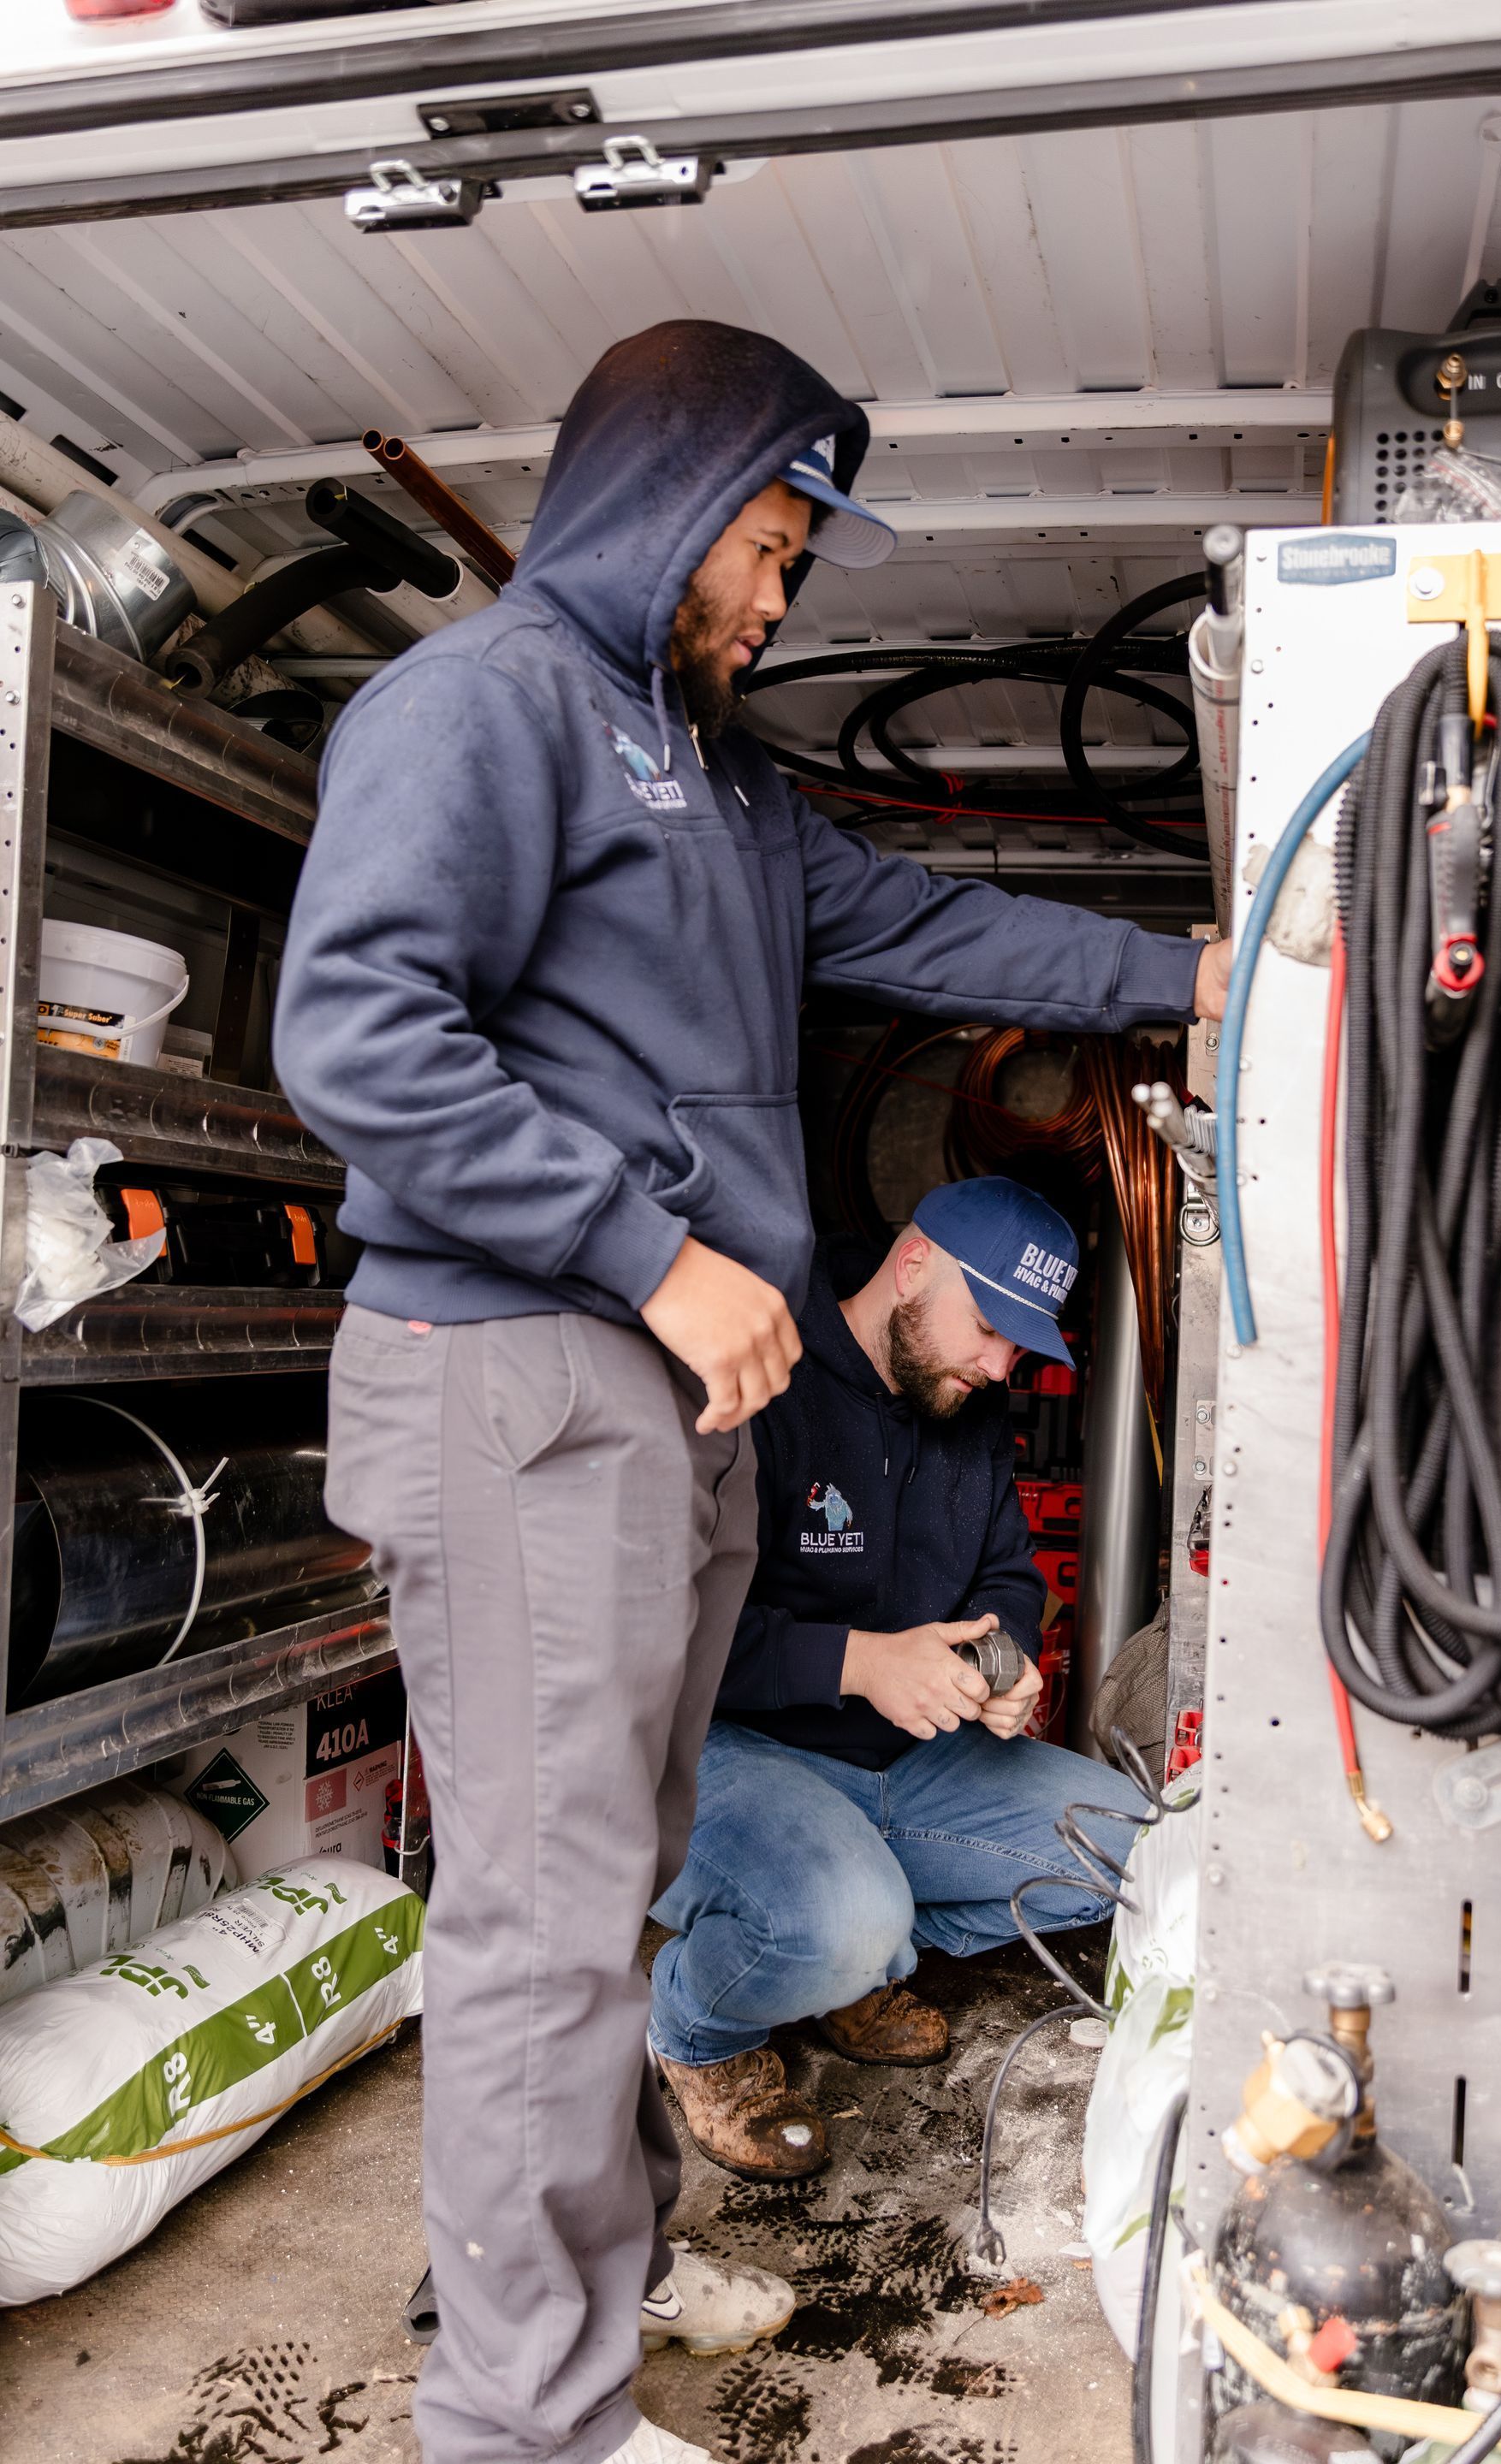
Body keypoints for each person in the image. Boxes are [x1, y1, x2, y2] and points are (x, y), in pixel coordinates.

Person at [273, 317, 1231, 2464]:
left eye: (798, 563)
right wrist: (649, 1251)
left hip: (672, 1399)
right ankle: (526, 2420)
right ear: (666, 496)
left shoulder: (718, 785)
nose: (781, 598)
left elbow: (942, 927)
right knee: (537, 1911)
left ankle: (581, 2287)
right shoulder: (480, 707)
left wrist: (1204, 970)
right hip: (526, 1368)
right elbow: (354, 1031)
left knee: (616, 1876)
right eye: (768, 544)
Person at [650, 1178, 1145, 2177]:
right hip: (735, 1754)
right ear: (913, 1265)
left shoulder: (962, 1407)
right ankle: (700, 2030)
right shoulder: (760, 1376)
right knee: (836, 1921)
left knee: (1136, 1851)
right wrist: (860, 1662)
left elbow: (1010, 1575)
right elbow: (664, 1624)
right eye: (992, 1327)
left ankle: (859, 1953)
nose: (1001, 1364)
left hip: (907, 1766)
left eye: (1022, 1342)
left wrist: (1000, 1669)